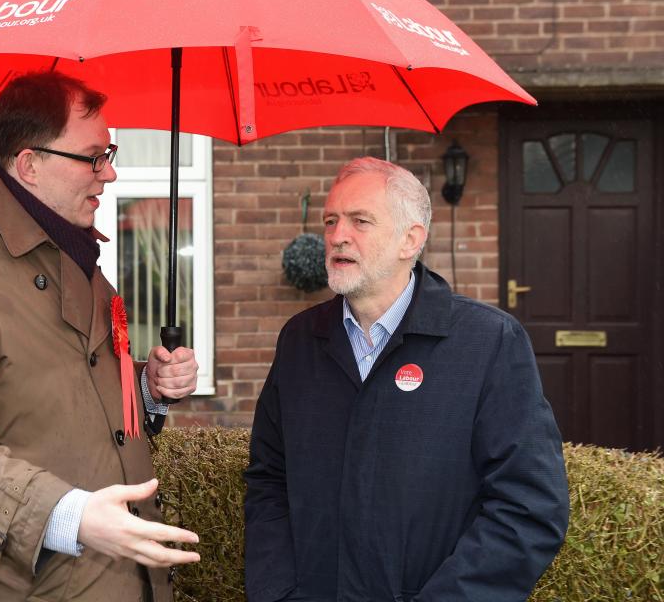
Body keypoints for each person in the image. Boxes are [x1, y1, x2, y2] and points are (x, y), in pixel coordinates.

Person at [0, 71, 200, 602]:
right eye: (93, 157)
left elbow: (79, 408)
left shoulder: (78, 258)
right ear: (30, 165)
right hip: (17, 585)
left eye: (110, 154)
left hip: (113, 580)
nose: (108, 175)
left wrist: (147, 390)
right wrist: (68, 516)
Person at [244, 157, 569, 602]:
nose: (338, 235)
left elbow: (529, 507)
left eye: (360, 221)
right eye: (331, 220)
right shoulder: (300, 341)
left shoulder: (488, 342)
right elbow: (269, 480)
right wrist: (277, 592)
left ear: (410, 240)